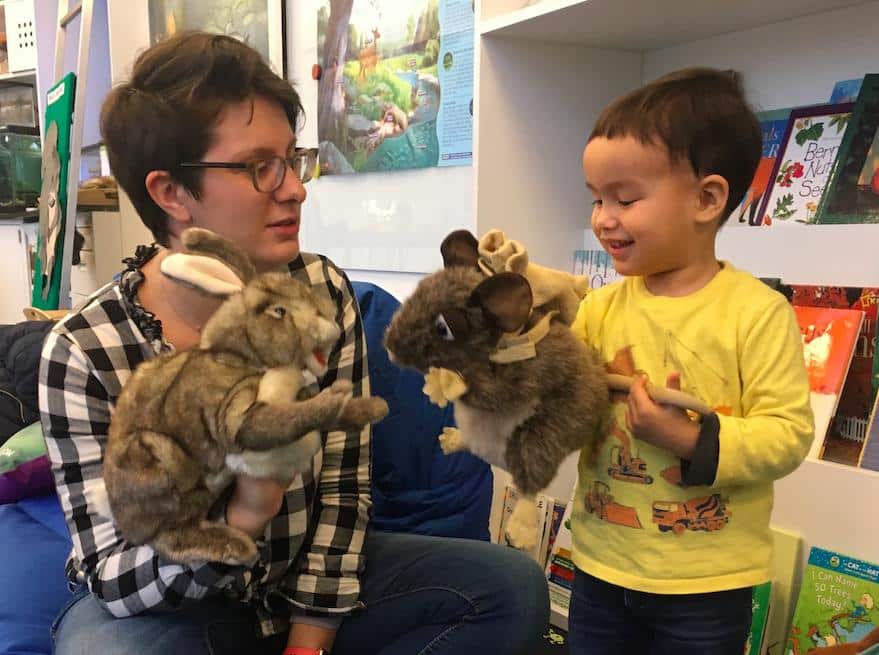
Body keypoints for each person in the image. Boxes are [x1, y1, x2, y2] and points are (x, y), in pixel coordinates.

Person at [39, 31, 548, 655]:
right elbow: (113, 575)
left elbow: (341, 488)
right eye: (259, 167)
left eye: (291, 158)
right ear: (170, 192)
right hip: (172, 609)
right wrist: (240, 519)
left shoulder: (319, 289)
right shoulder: (84, 350)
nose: (295, 188)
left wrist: (311, 639)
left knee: (508, 588)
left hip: (299, 582)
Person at [568, 68, 815, 654]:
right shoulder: (598, 308)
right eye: (597, 199)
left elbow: (788, 434)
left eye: (625, 199)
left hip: (705, 584)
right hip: (601, 566)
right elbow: (561, 396)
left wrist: (683, 437)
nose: (603, 218)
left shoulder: (757, 313)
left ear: (707, 199)